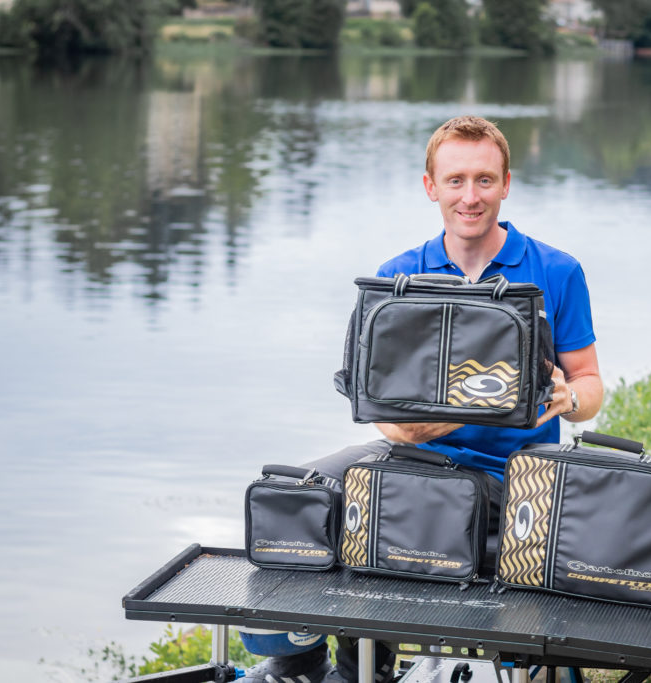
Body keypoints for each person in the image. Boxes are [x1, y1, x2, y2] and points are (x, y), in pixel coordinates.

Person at [242, 115, 603, 683]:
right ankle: (299, 663)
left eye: (484, 180)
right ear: (430, 186)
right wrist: (406, 431)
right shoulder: (397, 276)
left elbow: (590, 385)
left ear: (506, 184)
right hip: (409, 457)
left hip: (515, 474)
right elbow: (379, 405)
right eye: (455, 180)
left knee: (398, 506)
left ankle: (377, 664)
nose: (470, 196)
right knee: (296, 493)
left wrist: (566, 398)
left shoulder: (557, 271)